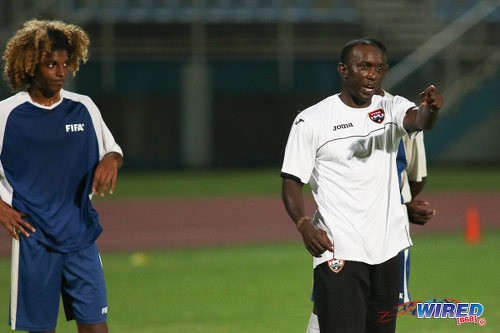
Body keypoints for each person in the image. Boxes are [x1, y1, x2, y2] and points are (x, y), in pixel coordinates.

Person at [281, 38, 443, 332]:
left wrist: (430, 110)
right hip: (339, 249)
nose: (372, 74)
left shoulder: (392, 107)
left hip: (388, 250)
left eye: (379, 68)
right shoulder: (313, 120)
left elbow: (418, 120)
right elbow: (292, 181)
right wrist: (304, 224)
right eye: (364, 66)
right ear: (343, 70)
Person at [0, 19, 123, 333]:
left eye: (66, 64)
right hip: (34, 238)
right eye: (51, 64)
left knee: (96, 327)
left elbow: (112, 149)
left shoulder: (83, 107)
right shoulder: (7, 114)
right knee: (42, 330)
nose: (60, 71)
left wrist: (111, 160)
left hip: (80, 233)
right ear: (30, 66)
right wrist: (2, 210)